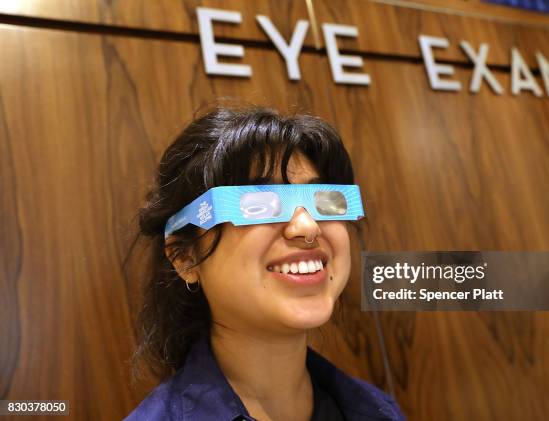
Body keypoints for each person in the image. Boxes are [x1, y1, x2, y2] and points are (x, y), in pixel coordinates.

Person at [125, 106, 406, 421]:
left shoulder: (378, 410)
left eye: (323, 200)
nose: (308, 227)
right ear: (184, 257)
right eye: (258, 204)